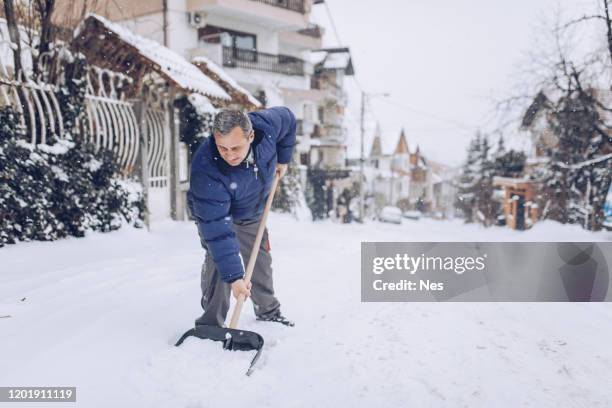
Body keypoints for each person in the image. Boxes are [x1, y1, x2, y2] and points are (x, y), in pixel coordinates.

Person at [187, 107, 296, 327]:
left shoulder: (267, 127)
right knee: (220, 261)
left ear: (251, 135)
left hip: (253, 211)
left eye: (236, 147)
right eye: (223, 148)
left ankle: (268, 312)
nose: (229, 155)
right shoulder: (206, 168)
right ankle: (211, 322)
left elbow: (289, 120)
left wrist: (283, 158)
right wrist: (235, 278)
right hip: (215, 214)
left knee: (260, 261)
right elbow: (218, 232)